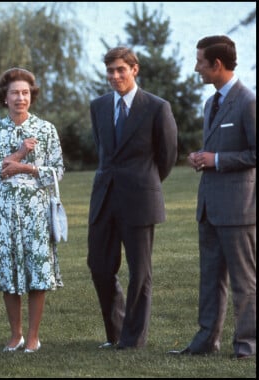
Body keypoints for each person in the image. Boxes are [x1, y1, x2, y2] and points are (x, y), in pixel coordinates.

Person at [168, 35, 256, 360]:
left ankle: (247, 346)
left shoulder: (248, 101)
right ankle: (206, 342)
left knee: (244, 283)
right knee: (210, 281)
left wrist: (216, 160)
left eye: (200, 62)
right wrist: (202, 157)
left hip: (239, 210)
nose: (196, 68)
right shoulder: (210, 103)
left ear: (216, 64)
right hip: (209, 208)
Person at [87, 46, 178, 350]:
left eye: (120, 70)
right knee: (99, 266)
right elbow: (104, 149)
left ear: (134, 69)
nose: (114, 76)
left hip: (140, 200)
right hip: (104, 199)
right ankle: (116, 333)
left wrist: (144, 183)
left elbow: (166, 157)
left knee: (140, 273)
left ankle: (133, 339)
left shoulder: (156, 107)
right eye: (110, 71)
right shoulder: (98, 106)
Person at [0, 68, 64, 353]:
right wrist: (18, 154)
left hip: (36, 207)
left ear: (32, 96)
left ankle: (34, 336)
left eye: (25, 93)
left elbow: (58, 172)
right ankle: (15, 335)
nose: (20, 98)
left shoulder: (46, 129)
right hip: (4, 208)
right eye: (14, 92)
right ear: (4, 97)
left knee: (36, 269)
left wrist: (25, 167)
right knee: (9, 270)